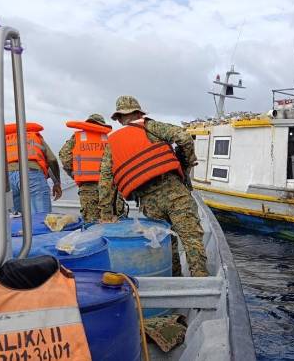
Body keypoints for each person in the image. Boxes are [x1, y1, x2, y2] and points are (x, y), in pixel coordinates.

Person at [98, 95, 208, 277]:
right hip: (175, 194)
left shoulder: (112, 143)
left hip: (149, 203)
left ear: (119, 118)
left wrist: (106, 214)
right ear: (139, 113)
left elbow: (105, 179)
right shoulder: (152, 126)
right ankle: (202, 284)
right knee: (191, 241)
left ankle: (174, 284)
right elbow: (184, 138)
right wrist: (185, 164)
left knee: (167, 243)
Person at [59, 114, 112, 223]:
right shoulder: (109, 138)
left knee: (91, 223)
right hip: (109, 187)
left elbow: (64, 156)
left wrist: (75, 173)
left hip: (87, 187)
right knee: (111, 221)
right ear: (102, 125)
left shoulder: (78, 137)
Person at [5, 122, 61, 214]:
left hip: (7, 178)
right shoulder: (34, 136)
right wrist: (57, 183)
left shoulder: (3, 139)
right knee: (41, 216)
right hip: (30, 174)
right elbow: (52, 159)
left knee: (17, 217)